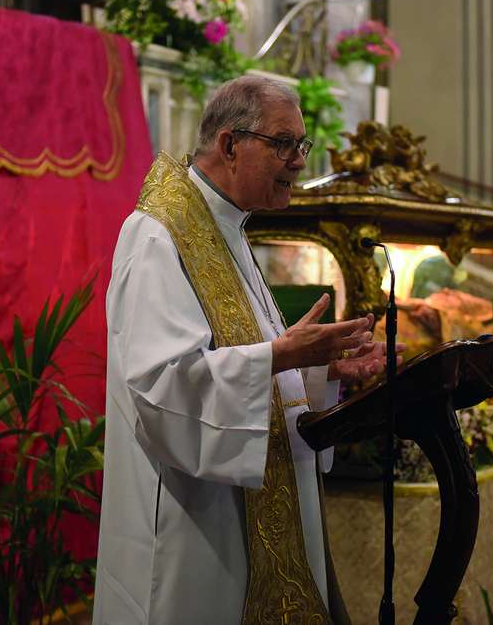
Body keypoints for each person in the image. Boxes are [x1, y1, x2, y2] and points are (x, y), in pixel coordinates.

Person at [93, 75, 396, 624]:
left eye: (301, 145)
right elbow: (162, 384)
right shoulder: (160, 234)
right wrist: (280, 356)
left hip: (242, 506)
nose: (298, 160)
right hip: (198, 523)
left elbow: (248, 363)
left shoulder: (227, 226)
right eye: (283, 143)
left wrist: (317, 369)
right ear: (231, 145)